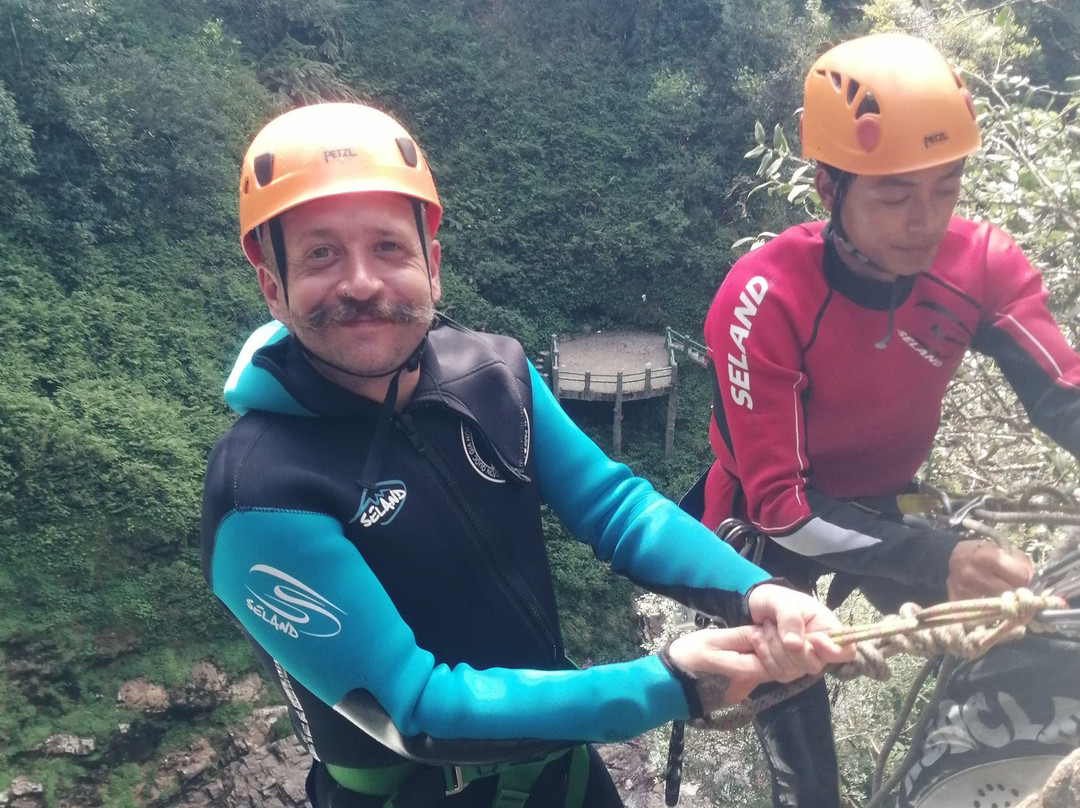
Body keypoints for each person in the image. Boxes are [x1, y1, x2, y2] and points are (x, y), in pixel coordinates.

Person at [200, 102, 854, 808]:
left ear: (433, 264)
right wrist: (666, 683)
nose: (362, 282)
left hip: (562, 775)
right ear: (274, 285)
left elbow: (615, 509)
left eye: (389, 247)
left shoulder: (493, 374)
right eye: (322, 254)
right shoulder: (261, 493)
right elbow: (414, 707)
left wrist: (756, 592)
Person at [698, 32, 1080, 808]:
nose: (926, 220)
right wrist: (936, 558)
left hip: (885, 502)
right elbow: (783, 505)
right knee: (806, 784)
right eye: (895, 195)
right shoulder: (763, 297)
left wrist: (935, 557)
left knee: (1036, 644)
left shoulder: (979, 265)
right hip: (766, 533)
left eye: (946, 187)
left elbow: (1062, 393)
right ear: (827, 188)